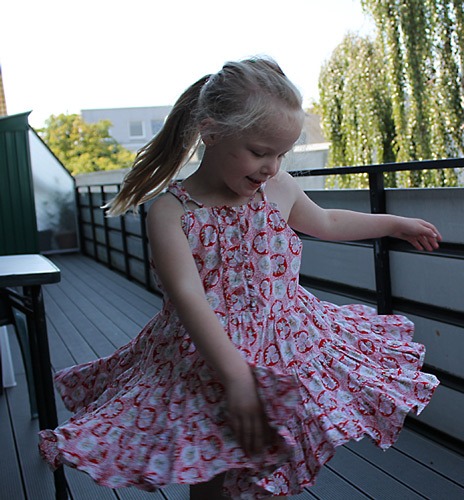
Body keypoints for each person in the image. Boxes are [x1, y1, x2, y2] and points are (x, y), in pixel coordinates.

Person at [39, 57, 441, 499]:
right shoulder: (171, 212)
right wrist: (235, 376)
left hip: (284, 342)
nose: (272, 166)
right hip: (205, 358)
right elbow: (188, 296)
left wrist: (392, 223)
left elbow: (326, 221)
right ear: (211, 133)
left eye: (281, 154)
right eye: (260, 151)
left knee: (269, 459)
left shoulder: (278, 188)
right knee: (213, 465)